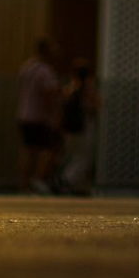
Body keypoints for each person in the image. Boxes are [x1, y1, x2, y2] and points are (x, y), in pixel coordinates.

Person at [16, 37, 62, 194]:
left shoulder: (27, 67)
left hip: (24, 114)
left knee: (29, 151)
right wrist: (55, 113)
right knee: (50, 148)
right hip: (39, 117)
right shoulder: (44, 70)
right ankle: (38, 180)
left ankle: (25, 184)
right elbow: (51, 92)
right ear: (46, 51)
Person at [58, 58, 100, 196]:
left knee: (74, 156)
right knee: (84, 158)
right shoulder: (87, 88)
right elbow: (96, 105)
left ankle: (78, 186)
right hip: (84, 127)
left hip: (70, 129)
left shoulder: (69, 88)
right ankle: (68, 179)